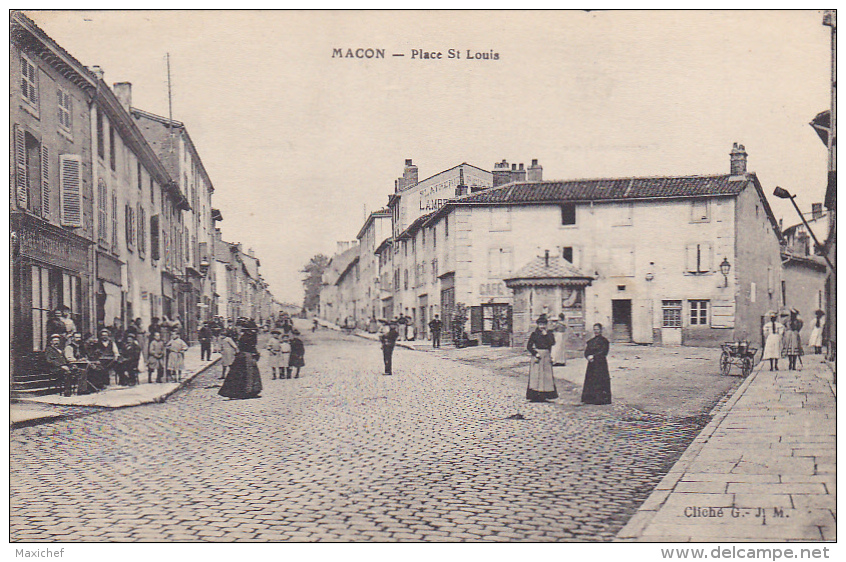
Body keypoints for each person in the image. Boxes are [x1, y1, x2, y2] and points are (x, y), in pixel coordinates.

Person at [218, 329, 263, 399]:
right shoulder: (249, 337)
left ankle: (236, 392)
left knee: (238, 374)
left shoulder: (244, 337)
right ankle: (249, 392)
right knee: (249, 374)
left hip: (241, 357)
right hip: (247, 357)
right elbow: (251, 348)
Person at [526, 315, 558, 402]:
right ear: (537, 325)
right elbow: (528, 346)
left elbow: (552, 343)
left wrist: (546, 336)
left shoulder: (549, 334)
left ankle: (545, 395)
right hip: (538, 356)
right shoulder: (534, 334)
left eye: (544, 324)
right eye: (540, 324)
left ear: (546, 325)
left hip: (546, 355)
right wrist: (535, 353)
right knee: (536, 375)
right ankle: (535, 395)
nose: (542, 327)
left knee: (546, 376)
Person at [581, 323, 612, 405]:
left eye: (597, 329)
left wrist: (594, 356)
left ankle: (601, 399)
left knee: (600, 380)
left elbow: (604, 352)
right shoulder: (591, 342)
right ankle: (590, 398)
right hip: (592, 364)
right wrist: (588, 356)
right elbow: (587, 351)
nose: (596, 331)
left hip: (601, 364)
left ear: (601, 330)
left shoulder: (604, 341)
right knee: (591, 380)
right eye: (594, 330)